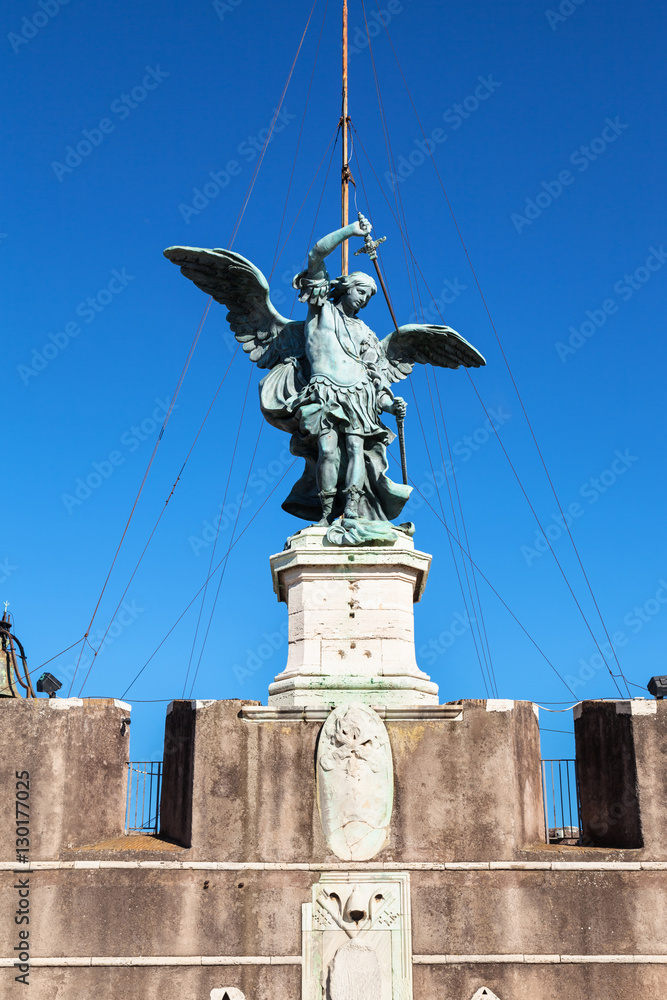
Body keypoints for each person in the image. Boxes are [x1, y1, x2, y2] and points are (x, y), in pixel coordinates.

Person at [288, 215, 408, 523]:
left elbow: (375, 380)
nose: (365, 299)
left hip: (358, 397)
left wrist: (390, 404)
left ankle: (353, 510)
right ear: (346, 287)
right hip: (325, 392)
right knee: (329, 452)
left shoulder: (365, 333)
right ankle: (327, 513)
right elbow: (315, 254)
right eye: (362, 291)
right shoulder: (320, 310)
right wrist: (350, 232)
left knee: (357, 450)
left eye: (369, 295)